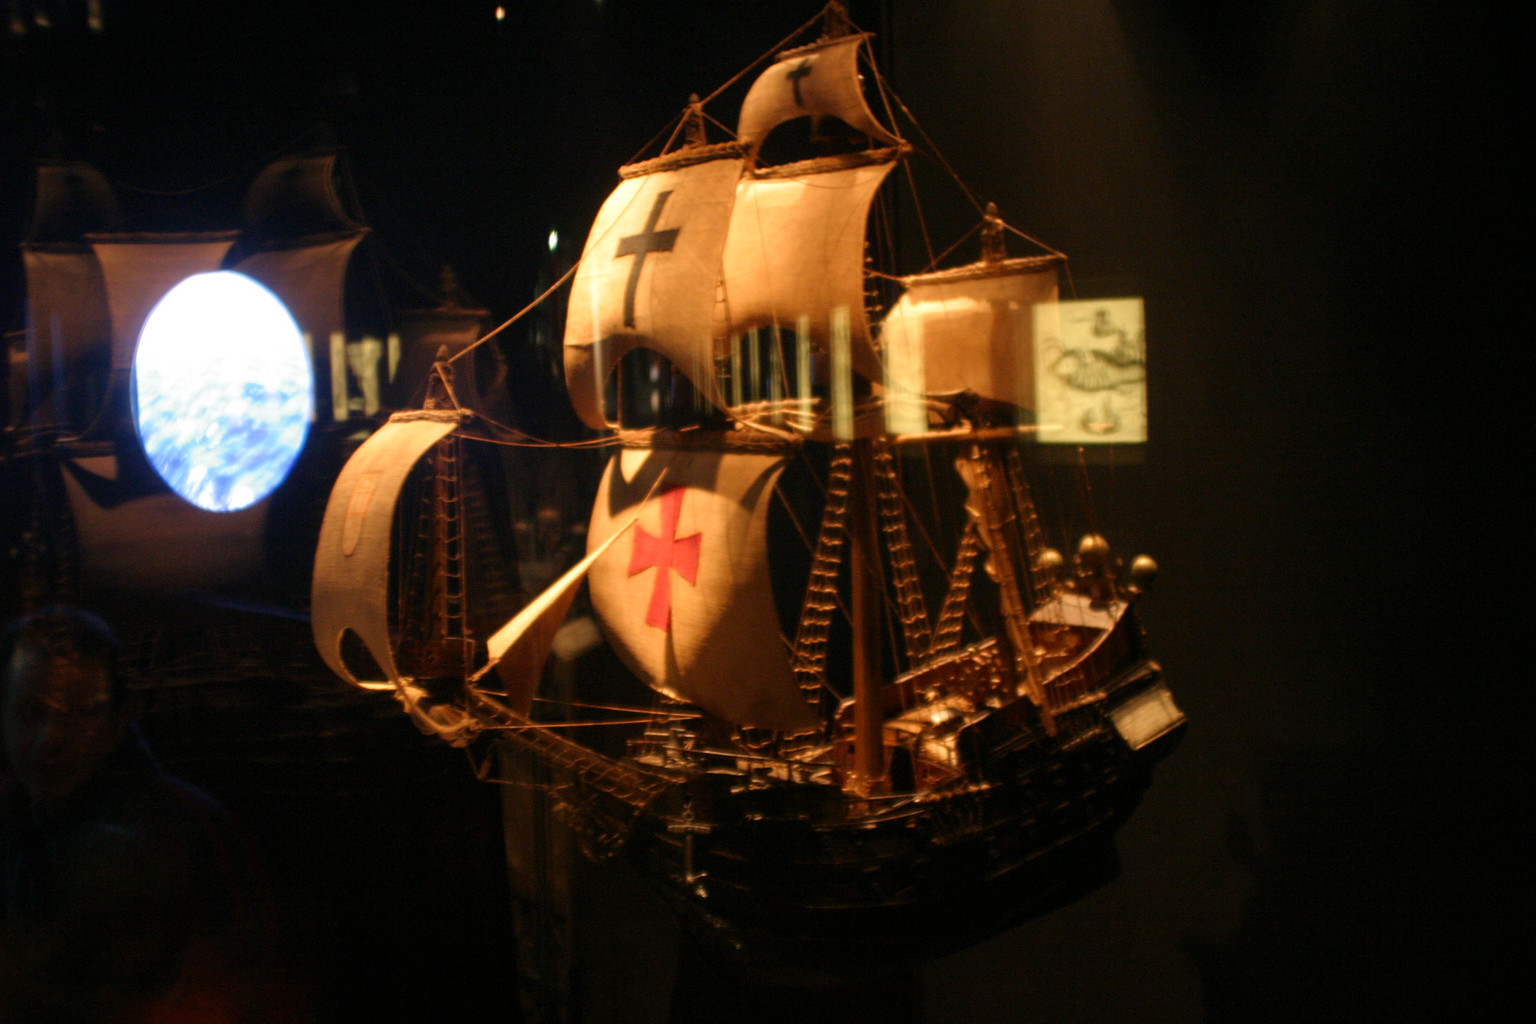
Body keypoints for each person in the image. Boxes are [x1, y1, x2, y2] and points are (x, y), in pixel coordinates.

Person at [0, 606, 280, 1022]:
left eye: (82, 714)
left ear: (117, 722)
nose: (50, 739)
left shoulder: (182, 833)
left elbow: (243, 992)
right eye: (30, 712)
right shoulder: (17, 818)